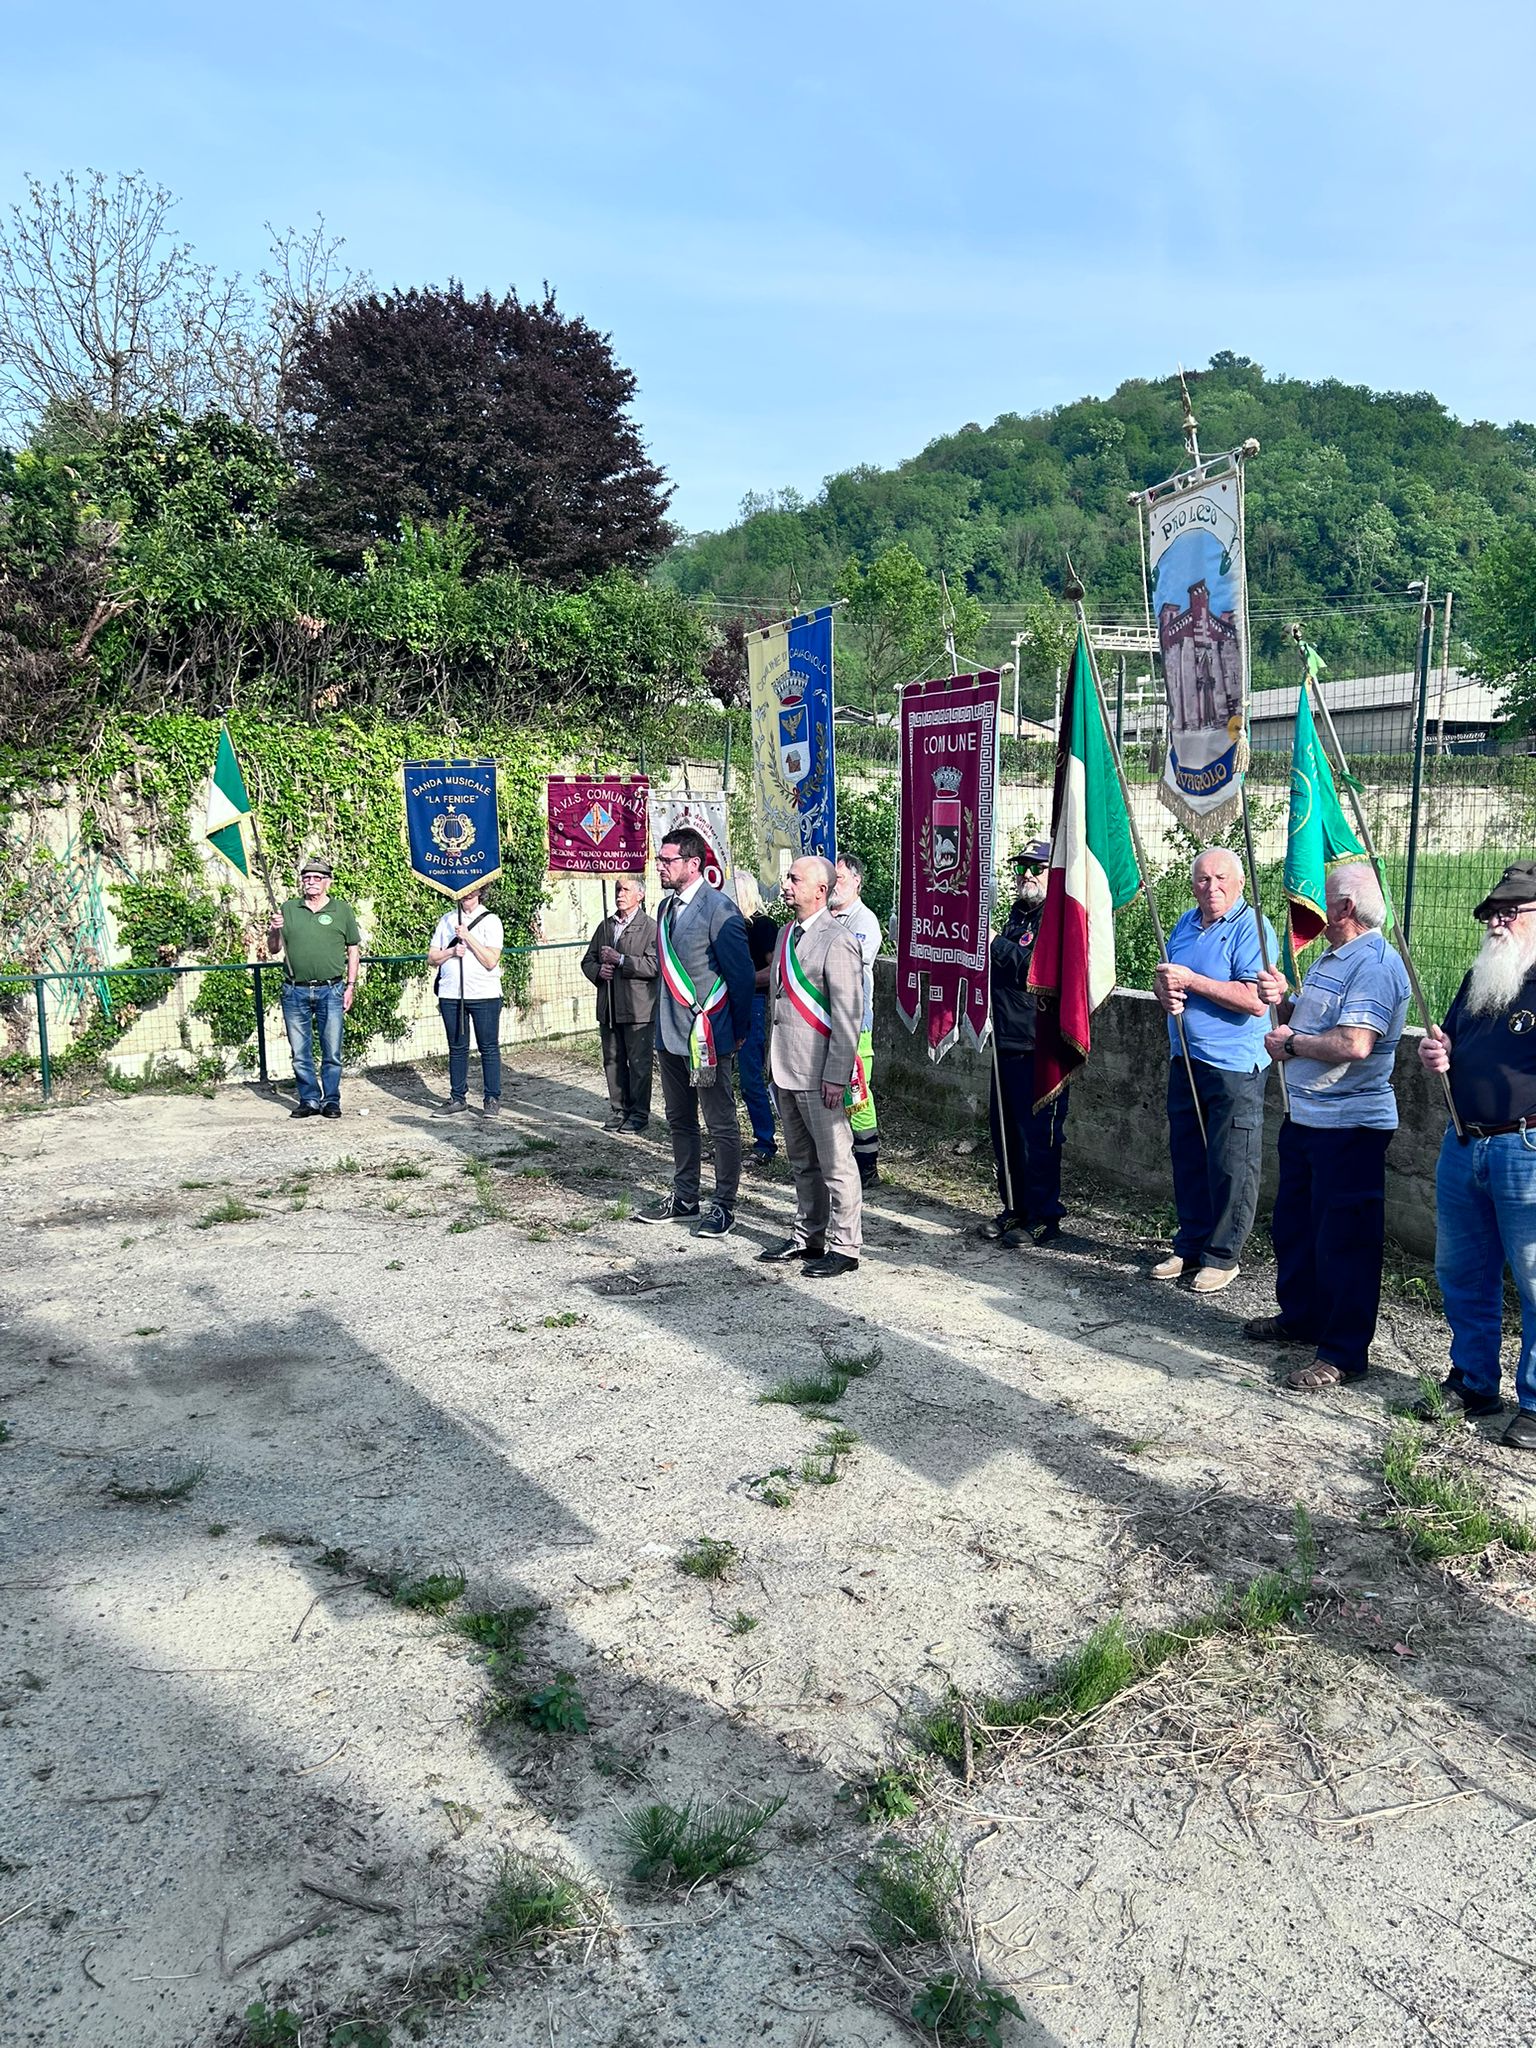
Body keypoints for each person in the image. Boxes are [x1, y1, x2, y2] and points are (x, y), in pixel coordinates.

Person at [1248, 862, 1411, 1392]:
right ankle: (1302, 1317)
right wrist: (1284, 1001)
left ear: (1344, 908)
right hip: (1308, 1118)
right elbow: (1316, 1022)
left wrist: (1291, 1045)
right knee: (1296, 1228)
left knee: (1345, 1241)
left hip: (1350, 1127)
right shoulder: (1333, 960)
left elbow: (1355, 1043)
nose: (1314, 902)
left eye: (1324, 896)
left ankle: (1343, 1353)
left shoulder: (1377, 965)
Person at [1416, 862, 1536, 1451]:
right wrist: (1438, 1052)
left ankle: (1535, 1401)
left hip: (1527, 1147)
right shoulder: (1484, 977)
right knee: (1462, 1270)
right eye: (1491, 913)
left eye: (1510, 913)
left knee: (1535, 1278)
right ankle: (1473, 1381)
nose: (1496, 923)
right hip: (1465, 1142)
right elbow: (1453, 1043)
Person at [1151, 848, 1278, 1294]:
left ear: (1239, 883)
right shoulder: (1185, 923)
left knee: (1231, 1160)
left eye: (1221, 878)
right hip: (1185, 1056)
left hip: (1233, 1065)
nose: (1212, 887)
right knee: (1188, 1156)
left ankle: (1223, 1256)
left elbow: (1253, 1000)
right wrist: (1164, 989)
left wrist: (1191, 981)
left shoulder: (1253, 928)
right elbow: (1166, 976)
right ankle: (1190, 1245)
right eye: (1203, 880)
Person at [636, 827, 756, 1237]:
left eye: (667, 860)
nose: (660, 866)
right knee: (679, 1119)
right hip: (669, 1034)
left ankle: (724, 1204)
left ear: (692, 864)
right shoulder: (666, 907)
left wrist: (737, 1032)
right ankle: (686, 1195)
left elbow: (740, 979)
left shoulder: (720, 910)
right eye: (659, 859)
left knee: (719, 1123)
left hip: (705, 1038)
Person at [758, 855, 865, 1278]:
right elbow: (777, 1002)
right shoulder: (786, 933)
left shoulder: (837, 940)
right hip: (785, 1066)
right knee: (802, 1161)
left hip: (821, 1073)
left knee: (837, 1164)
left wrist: (837, 1074)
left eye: (794, 879)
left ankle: (846, 1245)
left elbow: (847, 1014)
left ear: (820, 889)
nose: (786, 884)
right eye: (787, 877)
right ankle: (809, 1237)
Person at [979, 841, 1068, 1247]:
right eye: (1022, 867)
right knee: (1005, 1132)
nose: (1027, 874)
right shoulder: (1019, 915)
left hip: (1040, 1046)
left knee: (1041, 1137)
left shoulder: (1059, 919)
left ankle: (1043, 1217)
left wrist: (994, 943)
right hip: (1005, 1040)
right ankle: (1014, 1207)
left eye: (1037, 867)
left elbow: (1037, 970)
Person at [265, 856, 361, 1120]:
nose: (311, 882)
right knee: (300, 1052)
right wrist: (274, 930)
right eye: (307, 878)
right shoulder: (287, 909)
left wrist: (351, 985)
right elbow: (274, 948)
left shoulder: (341, 910)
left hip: (332, 990)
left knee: (332, 1050)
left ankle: (331, 1100)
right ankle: (309, 1099)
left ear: (327, 882)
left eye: (317, 878)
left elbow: (353, 949)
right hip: (294, 991)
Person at [580, 876, 658, 1133]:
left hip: (638, 1009)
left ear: (640, 895)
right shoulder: (605, 926)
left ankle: (639, 1113)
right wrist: (597, 971)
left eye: (626, 889)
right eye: (617, 889)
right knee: (612, 1060)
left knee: (639, 1064)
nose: (620, 894)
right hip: (609, 1007)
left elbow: (654, 965)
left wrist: (622, 960)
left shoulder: (650, 928)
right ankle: (619, 1109)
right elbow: (587, 960)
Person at [830, 852, 884, 1188]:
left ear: (857, 882)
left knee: (857, 1092)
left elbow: (848, 961)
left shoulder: (864, 920)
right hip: (824, 1020)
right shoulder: (824, 915)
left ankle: (868, 1166)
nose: (834, 884)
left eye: (840, 878)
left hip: (853, 1022)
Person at [428, 886, 505, 1117]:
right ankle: (457, 1097)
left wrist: (468, 936)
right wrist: (451, 952)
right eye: (464, 889)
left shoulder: (491, 921)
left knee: (488, 1047)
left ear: (481, 890)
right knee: (457, 1048)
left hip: (484, 995)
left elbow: (491, 960)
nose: (467, 893)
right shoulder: (447, 920)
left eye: (473, 889)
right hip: (452, 994)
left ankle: (491, 1098)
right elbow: (432, 957)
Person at [732, 871, 780, 1163]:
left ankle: (765, 1140)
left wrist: (744, 980)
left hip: (753, 1003)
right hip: (725, 1003)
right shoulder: (728, 926)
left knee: (751, 1076)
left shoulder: (762, 925)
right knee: (721, 1076)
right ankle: (729, 1139)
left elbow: (773, 971)